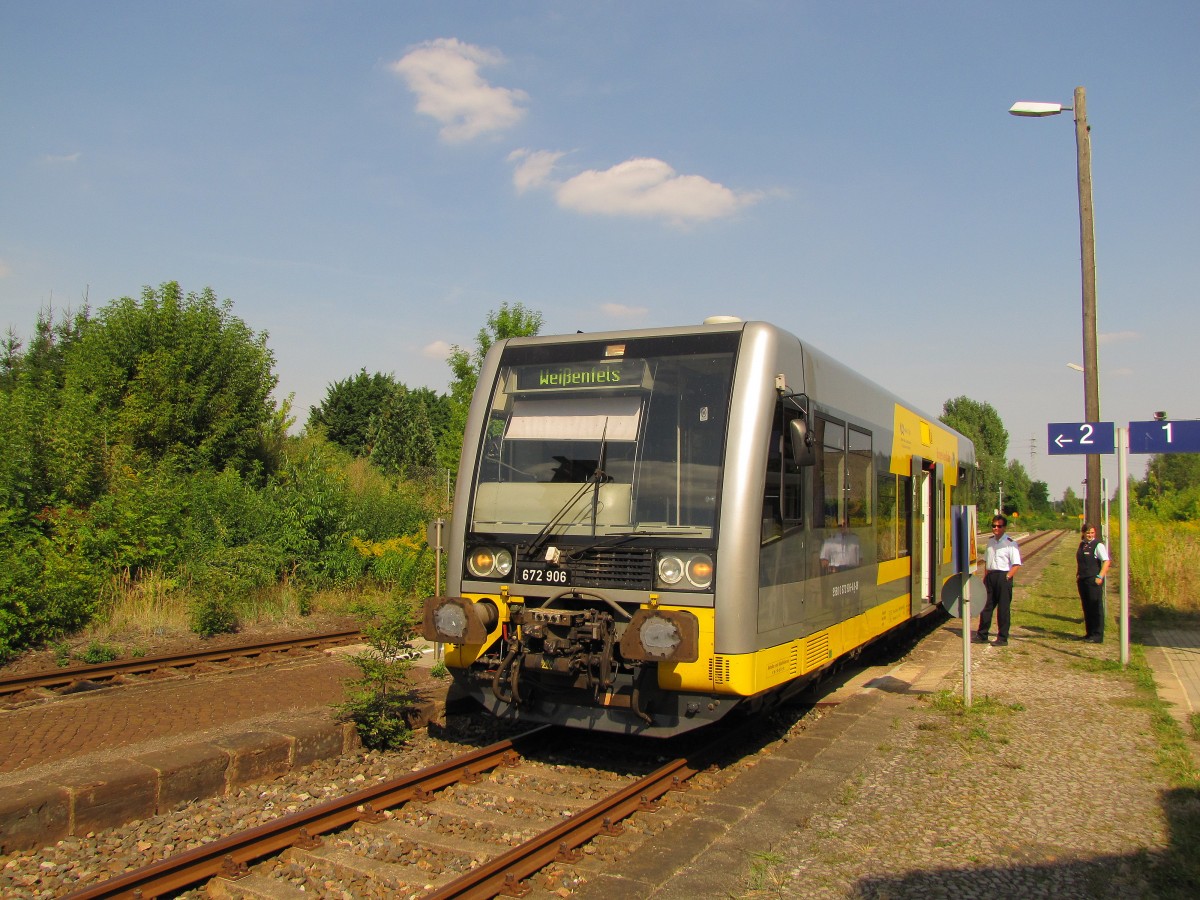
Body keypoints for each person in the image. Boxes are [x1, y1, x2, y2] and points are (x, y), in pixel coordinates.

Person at [975, 515, 1022, 647]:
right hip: (990, 576)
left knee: (1003, 609)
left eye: (999, 526)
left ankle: (1002, 637)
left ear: (1004, 527)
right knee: (986, 606)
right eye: (994, 526)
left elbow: (1016, 564)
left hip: (1003, 576)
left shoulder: (1010, 543)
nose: (996, 528)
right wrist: (985, 576)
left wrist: (1007, 577)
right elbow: (987, 561)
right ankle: (982, 634)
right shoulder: (990, 542)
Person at [1075, 522, 1110, 643]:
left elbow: (1106, 561)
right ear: (1083, 533)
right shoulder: (1082, 545)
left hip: (1093, 580)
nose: (1090, 535)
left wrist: (1100, 576)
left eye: (1092, 533)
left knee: (1095, 606)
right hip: (1083, 580)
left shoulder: (1098, 545)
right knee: (1087, 606)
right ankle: (1089, 633)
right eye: (1088, 532)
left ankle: (1097, 635)